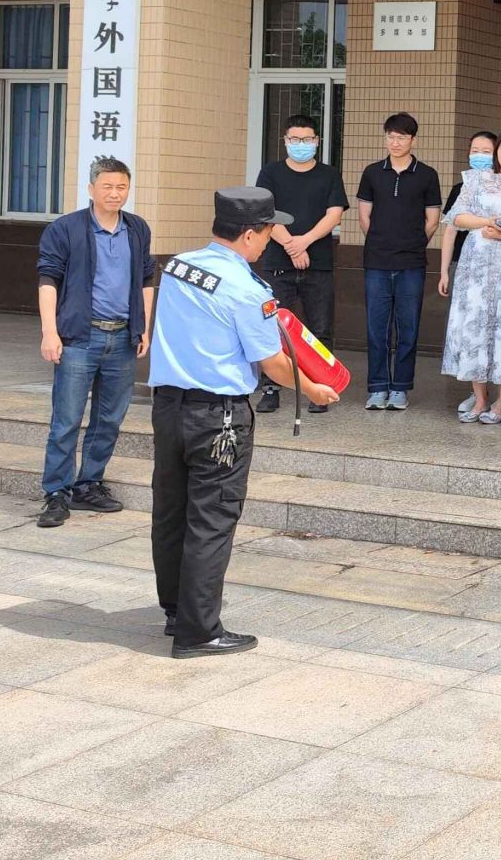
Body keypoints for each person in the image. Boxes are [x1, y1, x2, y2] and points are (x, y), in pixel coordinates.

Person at [148, 187, 340, 657]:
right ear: (251, 235)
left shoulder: (177, 266)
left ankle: (177, 612)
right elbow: (272, 362)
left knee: (172, 512)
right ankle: (198, 631)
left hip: (168, 407)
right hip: (218, 417)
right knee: (212, 518)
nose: (270, 240)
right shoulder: (248, 290)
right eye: (270, 231)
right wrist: (314, 390)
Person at [34, 158, 155, 528]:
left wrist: (144, 328)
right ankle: (57, 493)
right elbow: (48, 280)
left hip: (122, 338)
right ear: (91, 189)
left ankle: (89, 484)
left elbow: (146, 279)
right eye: (107, 187)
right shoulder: (66, 228)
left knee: (109, 419)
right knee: (66, 419)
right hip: (79, 338)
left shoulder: (137, 228)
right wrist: (50, 331)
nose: (115, 193)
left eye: (121, 187)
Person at [250, 114, 347, 415]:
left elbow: (334, 214)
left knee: (320, 328)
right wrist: (291, 246)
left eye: (307, 139)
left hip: (319, 264)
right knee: (273, 327)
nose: (301, 144)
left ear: (317, 141)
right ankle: (271, 388)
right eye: (295, 139)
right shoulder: (271, 173)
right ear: (285, 141)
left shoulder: (329, 174)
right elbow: (266, 213)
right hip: (278, 263)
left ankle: (321, 389)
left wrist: (303, 242)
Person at [441, 126, 501, 423]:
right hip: (475, 263)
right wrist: (486, 222)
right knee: (474, 326)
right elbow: (456, 216)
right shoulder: (476, 179)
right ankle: (479, 399)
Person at [357, 112, 442, 411]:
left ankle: (400, 389)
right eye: (390, 136)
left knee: (408, 329)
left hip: (411, 264)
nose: (395, 142)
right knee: (376, 329)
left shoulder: (427, 175)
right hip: (377, 262)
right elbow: (364, 216)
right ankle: (378, 387)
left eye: (401, 137)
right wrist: (381, 241)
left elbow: (432, 220)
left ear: (413, 140)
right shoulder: (372, 172)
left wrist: (413, 243)